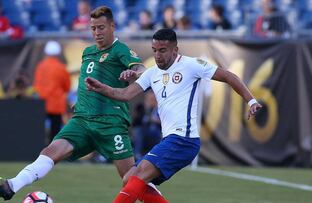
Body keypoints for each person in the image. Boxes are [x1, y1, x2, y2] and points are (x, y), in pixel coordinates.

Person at [0, 6, 167, 203]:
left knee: (131, 177)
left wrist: (134, 73)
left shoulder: (120, 50)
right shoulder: (88, 52)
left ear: (113, 26)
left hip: (110, 124)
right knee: (50, 152)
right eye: (93, 28)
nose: (97, 32)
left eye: (101, 27)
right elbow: (87, 82)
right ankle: (10, 185)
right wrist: (81, 103)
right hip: (82, 121)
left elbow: (141, 68)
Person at [85, 28, 262, 203]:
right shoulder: (152, 73)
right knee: (129, 178)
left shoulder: (191, 65)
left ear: (175, 49)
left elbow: (228, 76)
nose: (157, 55)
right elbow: (125, 94)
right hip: (170, 140)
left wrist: (251, 101)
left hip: (184, 139)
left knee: (137, 176)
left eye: (162, 50)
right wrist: (101, 88)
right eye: (154, 50)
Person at [33, 40, 71, 143]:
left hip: (41, 103)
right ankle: (52, 154)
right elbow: (67, 87)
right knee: (55, 133)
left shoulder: (40, 66)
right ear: (58, 53)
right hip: (56, 104)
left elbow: (36, 84)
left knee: (38, 133)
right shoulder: (61, 67)